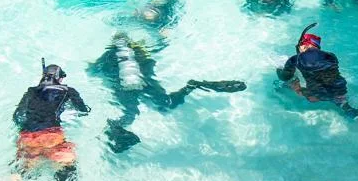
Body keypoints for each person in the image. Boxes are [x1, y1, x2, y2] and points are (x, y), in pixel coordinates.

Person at [89, 34, 247, 152]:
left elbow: (93, 72)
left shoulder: (106, 56)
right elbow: (150, 61)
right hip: (146, 83)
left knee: (130, 113)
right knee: (167, 104)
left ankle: (113, 131)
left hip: (123, 88)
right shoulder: (138, 50)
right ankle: (194, 85)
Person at [12, 62, 90, 181]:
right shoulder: (68, 91)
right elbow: (83, 111)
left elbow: (17, 116)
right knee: (69, 169)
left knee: (20, 172)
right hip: (52, 137)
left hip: (27, 137)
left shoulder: (31, 91)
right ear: (59, 78)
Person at [278, 25, 358, 118]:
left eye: (300, 46)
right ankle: (350, 111)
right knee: (339, 99)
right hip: (340, 90)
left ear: (304, 45)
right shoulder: (331, 56)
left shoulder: (295, 59)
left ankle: (281, 87)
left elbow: (285, 77)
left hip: (316, 95)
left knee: (291, 81)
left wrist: (280, 71)